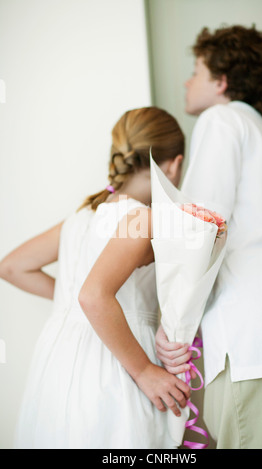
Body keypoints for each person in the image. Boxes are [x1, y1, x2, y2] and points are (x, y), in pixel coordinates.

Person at [0, 106, 191, 449]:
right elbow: (93, 296)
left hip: (57, 363)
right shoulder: (141, 219)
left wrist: (67, 299)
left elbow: (12, 266)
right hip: (115, 362)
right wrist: (145, 371)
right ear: (174, 164)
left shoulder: (82, 216)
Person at [155, 25, 262, 449]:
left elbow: (200, 231)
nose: (187, 81)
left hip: (252, 341)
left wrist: (174, 331)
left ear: (221, 81)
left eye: (196, 70)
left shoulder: (221, 121)